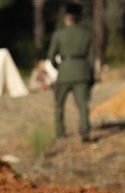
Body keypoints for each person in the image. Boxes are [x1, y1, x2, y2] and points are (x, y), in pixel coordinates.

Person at [47, 3, 94, 142]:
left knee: (59, 105)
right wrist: (89, 74)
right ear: (79, 18)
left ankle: (60, 133)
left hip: (64, 73)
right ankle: (85, 132)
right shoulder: (87, 34)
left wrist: (60, 67)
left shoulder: (58, 34)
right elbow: (91, 58)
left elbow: (50, 56)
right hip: (82, 73)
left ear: (66, 18)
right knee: (82, 105)